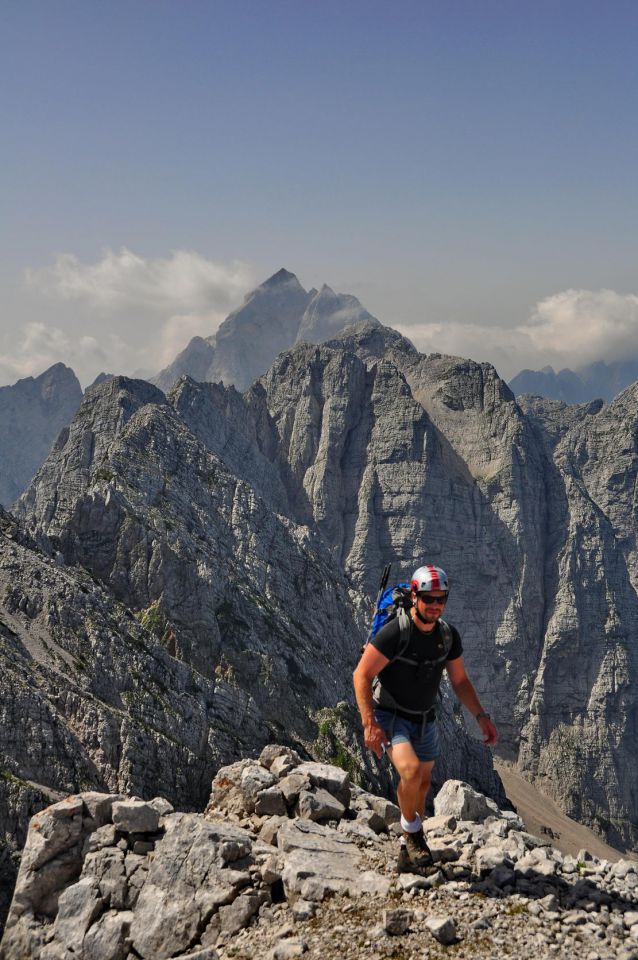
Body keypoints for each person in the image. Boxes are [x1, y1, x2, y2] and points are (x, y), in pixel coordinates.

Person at [352, 563, 498, 870]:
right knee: (411, 772)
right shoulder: (396, 632)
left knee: (423, 782)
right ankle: (414, 835)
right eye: (428, 598)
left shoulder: (447, 635)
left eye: (440, 599)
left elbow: (459, 681)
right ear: (415, 596)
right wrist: (369, 724)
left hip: (424, 717)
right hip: (390, 714)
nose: (434, 605)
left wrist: (481, 716)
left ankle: (409, 850)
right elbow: (362, 674)